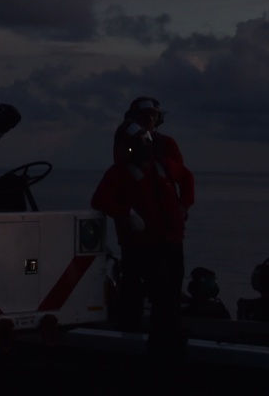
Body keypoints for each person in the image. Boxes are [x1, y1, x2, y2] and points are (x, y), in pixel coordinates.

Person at [91, 119, 195, 360]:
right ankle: (163, 348)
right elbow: (99, 201)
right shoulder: (119, 173)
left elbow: (187, 178)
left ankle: (167, 341)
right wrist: (126, 213)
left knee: (170, 292)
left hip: (172, 242)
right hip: (146, 247)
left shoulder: (163, 166)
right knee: (161, 296)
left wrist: (184, 205)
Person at [112, 96, 183, 166]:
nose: (148, 121)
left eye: (153, 116)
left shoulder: (166, 143)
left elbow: (180, 172)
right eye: (144, 117)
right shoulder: (124, 139)